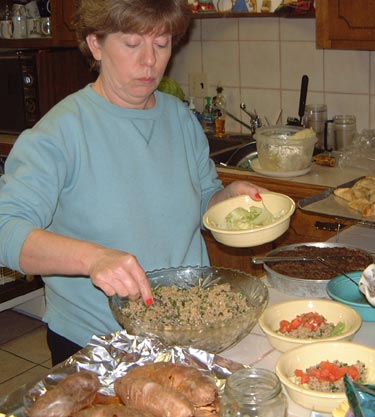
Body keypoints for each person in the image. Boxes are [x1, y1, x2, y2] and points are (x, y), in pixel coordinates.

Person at [0, 0, 266, 365]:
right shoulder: (59, 133)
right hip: (97, 344)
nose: (149, 62)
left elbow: (203, 196)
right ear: (96, 44)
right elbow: (6, 229)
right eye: (131, 44)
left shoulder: (181, 120)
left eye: (162, 44)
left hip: (186, 331)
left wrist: (227, 200)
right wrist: (94, 258)